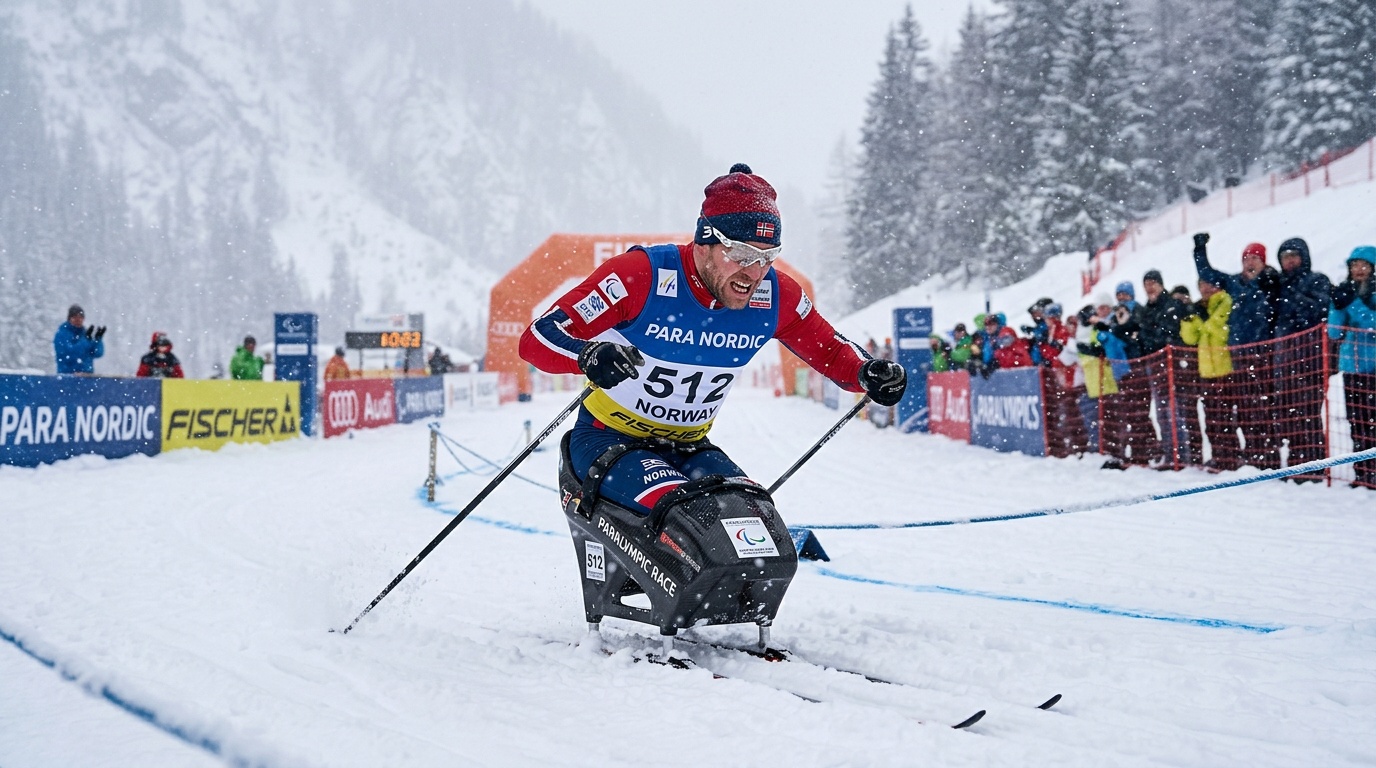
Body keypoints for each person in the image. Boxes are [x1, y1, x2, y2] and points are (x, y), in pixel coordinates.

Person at [518, 163, 905, 517]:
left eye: (767, 257)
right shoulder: (641, 276)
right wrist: (587, 355)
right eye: (740, 254)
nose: (754, 272)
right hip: (608, 440)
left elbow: (834, 352)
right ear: (704, 242)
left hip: (689, 449)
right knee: (693, 524)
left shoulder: (776, 296)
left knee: (756, 527)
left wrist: (869, 372)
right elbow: (538, 339)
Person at [1193, 233, 1281, 468]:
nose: (1250, 263)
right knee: (1245, 408)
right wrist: (1199, 250)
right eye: (1246, 258)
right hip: (1239, 355)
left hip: (1264, 352)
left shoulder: (1271, 281)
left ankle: (1268, 458)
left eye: (1255, 258)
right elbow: (1207, 274)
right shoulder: (1233, 283)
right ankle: (1252, 456)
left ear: (1264, 262)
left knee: (1262, 407)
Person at [1271, 237, 1331, 480]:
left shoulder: (1317, 280)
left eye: (1293, 255)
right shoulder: (1277, 283)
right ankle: (1295, 463)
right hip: (1283, 359)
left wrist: (1293, 294)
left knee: (1309, 413)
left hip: (1310, 358)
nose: (1289, 261)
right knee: (1287, 414)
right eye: (1285, 257)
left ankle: (1315, 465)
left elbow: (1320, 309)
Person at [1328, 246, 1376, 488]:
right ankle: (1362, 471)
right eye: (1354, 265)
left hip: (1373, 368)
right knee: (1356, 422)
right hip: (1352, 367)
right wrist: (1337, 306)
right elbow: (1333, 332)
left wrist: (1353, 303)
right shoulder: (1346, 292)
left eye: (1363, 264)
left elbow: (1373, 325)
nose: (1358, 270)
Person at [1180, 276, 1239, 470]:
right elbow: (1190, 338)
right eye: (1201, 285)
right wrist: (1188, 318)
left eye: (1208, 284)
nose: (1205, 288)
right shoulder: (1199, 307)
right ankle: (1217, 456)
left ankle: (1231, 456)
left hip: (1225, 368)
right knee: (1211, 417)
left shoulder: (1225, 301)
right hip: (1206, 371)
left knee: (1226, 416)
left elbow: (1222, 331)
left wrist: (1203, 319)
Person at [1138, 269, 1193, 466]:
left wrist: (1154, 339)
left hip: (1171, 363)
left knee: (1174, 410)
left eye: (1153, 283)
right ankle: (1170, 455)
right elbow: (1145, 335)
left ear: (1161, 284)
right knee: (1162, 411)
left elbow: (1168, 330)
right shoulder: (1146, 309)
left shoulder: (1171, 304)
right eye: (1147, 284)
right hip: (1154, 363)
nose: (1150, 287)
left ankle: (1182, 455)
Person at [53, 304, 105, 375]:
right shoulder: (62, 334)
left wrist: (98, 340)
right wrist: (86, 340)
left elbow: (98, 353)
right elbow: (70, 354)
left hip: (87, 377)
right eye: (75, 317)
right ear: (69, 319)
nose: (78, 320)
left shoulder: (85, 334)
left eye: (80, 318)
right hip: (68, 377)